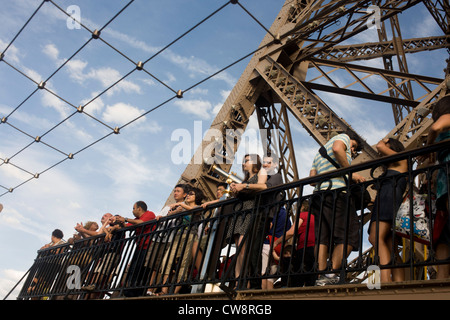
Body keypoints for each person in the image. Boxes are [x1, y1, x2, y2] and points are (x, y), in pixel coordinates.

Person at [309, 131, 365, 286]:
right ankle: (331, 273)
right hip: (337, 193)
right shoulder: (344, 138)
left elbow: (312, 180)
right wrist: (350, 173)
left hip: (319, 194)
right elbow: (337, 148)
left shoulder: (319, 152)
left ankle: (321, 276)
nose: (352, 151)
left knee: (322, 238)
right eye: (354, 148)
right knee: (349, 234)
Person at [368, 138, 407, 283]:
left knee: (375, 237)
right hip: (389, 198)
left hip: (388, 197)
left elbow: (379, 145)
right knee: (390, 244)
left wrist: (384, 140)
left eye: (387, 146)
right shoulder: (398, 165)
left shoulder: (401, 159)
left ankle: (385, 281)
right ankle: (398, 282)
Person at [421, 95, 450, 279]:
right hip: (444, 177)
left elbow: (435, 127)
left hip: (445, 175)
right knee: (445, 231)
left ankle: (442, 278)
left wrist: (429, 148)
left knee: (444, 231)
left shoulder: (446, 117)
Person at [226, 154, 267, 282]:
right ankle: (238, 279)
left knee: (243, 246)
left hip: (250, 211)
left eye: (247, 160)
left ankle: (245, 280)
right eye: (244, 161)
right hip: (240, 213)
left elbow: (263, 186)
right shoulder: (245, 179)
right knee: (239, 247)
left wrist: (244, 186)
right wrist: (235, 190)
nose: (244, 163)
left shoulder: (261, 172)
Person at [158, 186, 205, 295]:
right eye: (187, 194)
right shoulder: (182, 207)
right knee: (167, 260)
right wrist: (175, 212)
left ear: (196, 197)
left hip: (190, 236)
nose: (188, 195)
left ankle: (175, 292)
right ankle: (164, 290)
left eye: (191, 194)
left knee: (184, 263)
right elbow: (170, 217)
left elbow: (196, 211)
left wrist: (181, 205)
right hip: (178, 236)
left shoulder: (197, 207)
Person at [114, 201, 156, 297]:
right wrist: (119, 223)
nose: (132, 210)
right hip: (140, 247)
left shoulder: (149, 214)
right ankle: (129, 290)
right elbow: (128, 226)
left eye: (133, 208)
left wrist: (125, 219)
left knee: (142, 269)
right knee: (134, 268)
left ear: (139, 208)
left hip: (148, 246)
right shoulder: (136, 219)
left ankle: (137, 291)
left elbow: (141, 223)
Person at [273, 201, 316, 287]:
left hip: (304, 247)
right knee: (311, 275)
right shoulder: (314, 217)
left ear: (302, 207)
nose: (296, 210)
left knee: (298, 276)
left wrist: (277, 242)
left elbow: (291, 232)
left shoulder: (303, 215)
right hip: (315, 247)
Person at [27, 229, 66, 298]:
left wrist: (49, 248)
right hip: (45, 264)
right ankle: (32, 288)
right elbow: (40, 250)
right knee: (37, 278)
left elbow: (59, 252)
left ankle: (39, 292)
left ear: (53, 236)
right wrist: (45, 248)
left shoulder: (62, 243)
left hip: (53, 265)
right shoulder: (50, 243)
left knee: (46, 283)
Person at [261, 206, 291, 289]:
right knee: (271, 276)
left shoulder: (273, 211)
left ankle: (262, 296)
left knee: (263, 273)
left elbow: (269, 225)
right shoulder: (286, 215)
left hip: (268, 242)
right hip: (279, 246)